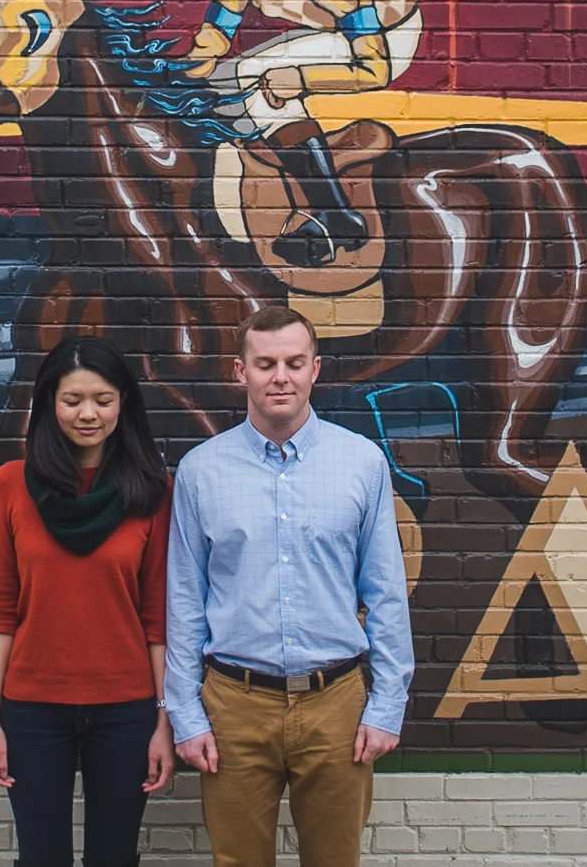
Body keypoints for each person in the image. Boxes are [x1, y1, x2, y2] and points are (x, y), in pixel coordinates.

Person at [164, 307, 413, 867]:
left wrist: (387, 704)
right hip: (233, 705)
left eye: (294, 363)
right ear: (240, 370)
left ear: (315, 369)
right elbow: (184, 601)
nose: (281, 377)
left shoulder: (361, 463)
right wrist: (185, 711)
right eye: (266, 363)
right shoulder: (201, 471)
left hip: (336, 704)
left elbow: (386, 593)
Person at [0, 337, 177, 867]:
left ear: (123, 404)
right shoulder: (10, 485)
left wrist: (164, 719)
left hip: (126, 711)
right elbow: (1, 606)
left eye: (103, 399)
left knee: (114, 858)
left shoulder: (152, 491)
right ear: (49, 403)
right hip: (31, 712)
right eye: (72, 400)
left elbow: (157, 616)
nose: (88, 413)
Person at [180, 0, 424, 269]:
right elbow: (214, 42)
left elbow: (374, 70)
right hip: (328, 30)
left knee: (254, 74)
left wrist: (300, 78)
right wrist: (186, 70)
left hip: (386, 36)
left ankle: (337, 215)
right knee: (227, 77)